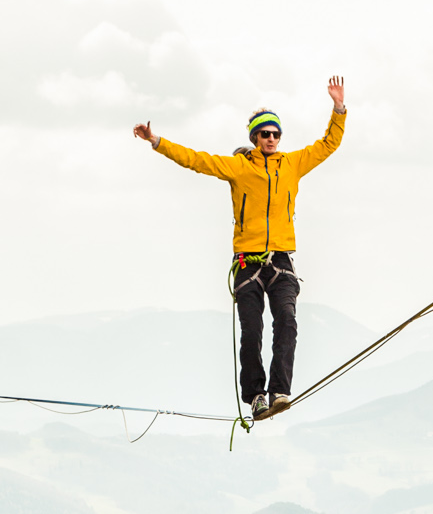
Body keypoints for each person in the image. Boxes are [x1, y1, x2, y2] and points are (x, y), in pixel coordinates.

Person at [133, 79, 346, 423]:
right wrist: (156, 142)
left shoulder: (292, 164)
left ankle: (279, 392)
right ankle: (256, 397)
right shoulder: (239, 168)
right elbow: (196, 160)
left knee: (287, 323)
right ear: (254, 138)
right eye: (265, 134)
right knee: (252, 331)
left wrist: (338, 108)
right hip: (247, 263)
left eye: (276, 134)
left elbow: (328, 144)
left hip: (280, 261)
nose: (271, 139)